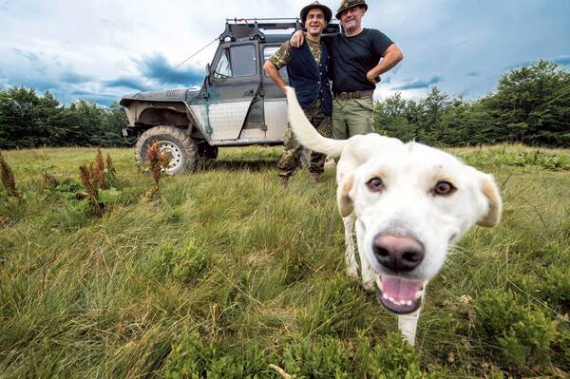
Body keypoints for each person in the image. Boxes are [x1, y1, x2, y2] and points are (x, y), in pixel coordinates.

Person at [292, 0, 404, 140]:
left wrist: (373, 73)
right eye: (344, 13)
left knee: (361, 150)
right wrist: (299, 32)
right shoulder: (333, 40)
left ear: (362, 11)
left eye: (353, 10)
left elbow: (395, 54)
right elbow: (312, 36)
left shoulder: (372, 36)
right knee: (339, 151)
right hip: (336, 104)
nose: (348, 15)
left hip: (360, 104)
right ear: (340, 19)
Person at [263, 1, 333, 187]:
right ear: (305, 22)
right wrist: (285, 88)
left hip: (324, 105)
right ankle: (283, 180)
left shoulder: (327, 47)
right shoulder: (292, 45)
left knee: (322, 143)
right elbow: (269, 67)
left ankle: (315, 177)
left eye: (319, 17)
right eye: (311, 17)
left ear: (325, 22)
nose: (315, 20)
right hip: (301, 106)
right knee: (293, 145)